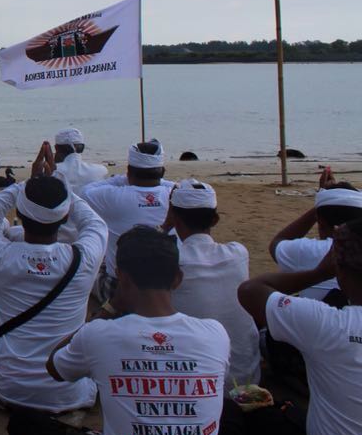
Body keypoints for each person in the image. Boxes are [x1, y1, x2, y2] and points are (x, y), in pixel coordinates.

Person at [10, 226, 239, 435]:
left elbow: (54, 366)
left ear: (122, 278)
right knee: (230, 411)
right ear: (178, 278)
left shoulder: (99, 333)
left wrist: (110, 306)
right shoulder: (215, 334)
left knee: (26, 423)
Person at [0, 143, 107, 413]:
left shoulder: (1, 256)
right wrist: (60, 186)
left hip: (8, 391)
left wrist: (26, 184)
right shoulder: (82, 258)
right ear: (63, 218)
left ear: (21, 215)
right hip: (73, 395)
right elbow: (94, 223)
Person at [237, 217, 362, 435]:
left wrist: (318, 273)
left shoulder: (328, 323)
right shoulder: (327, 323)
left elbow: (250, 290)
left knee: (255, 412)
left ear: (339, 270)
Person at [166, 179, 261, 386]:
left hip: (198, 385)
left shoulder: (171, 260)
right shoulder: (238, 253)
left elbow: (140, 254)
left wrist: (165, 226)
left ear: (174, 218)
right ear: (215, 219)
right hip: (246, 378)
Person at [82, 140, 174, 306]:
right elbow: (174, 185)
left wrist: (122, 179)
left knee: (88, 269)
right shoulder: (173, 194)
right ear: (162, 172)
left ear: (129, 171)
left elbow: (86, 191)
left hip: (119, 285)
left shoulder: (113, 196)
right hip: (164, 282)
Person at [268, 169, 361, 304]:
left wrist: (319, 205)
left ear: (321, 222)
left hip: (319, 321)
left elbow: (277, 243)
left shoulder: (311, 249)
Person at [53, 127, 108, 197]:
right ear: (82, 147)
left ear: (56, 148)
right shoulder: (101, 171)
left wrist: (54, 164)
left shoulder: (53, 172)